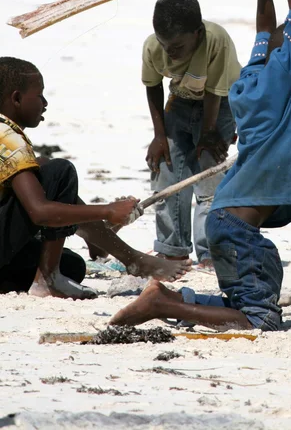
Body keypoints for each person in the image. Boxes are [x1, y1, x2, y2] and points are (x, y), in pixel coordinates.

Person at [110, 0, 291, 331]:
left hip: (230, 221)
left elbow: (265, 27)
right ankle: (161, 303)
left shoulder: (256, 75)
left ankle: (178, 299)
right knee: (260, 320)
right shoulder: (278, 82)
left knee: (248, 294)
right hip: (237, 227)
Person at [0, 57, 191, 298]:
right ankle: (49, 278)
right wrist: (107, 211)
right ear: (16, 99)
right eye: (40, 95)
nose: (45, 103)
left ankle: (96, 240)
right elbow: (39, 211)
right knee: (59, 171)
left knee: (73, 265)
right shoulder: (9, 138)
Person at [142, 0, 241, 268]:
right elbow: (152, 87)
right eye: (164, 45)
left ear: (197, 33)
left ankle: (211, 252)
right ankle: (173, 248)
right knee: (166, 171)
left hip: (220, 103)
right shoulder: (153, 47)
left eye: (177, 47)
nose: (169, 53)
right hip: (182, 100)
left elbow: (214, 91)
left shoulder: (216, 40)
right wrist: (160, 136)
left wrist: (209, 134)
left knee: (208, 174)